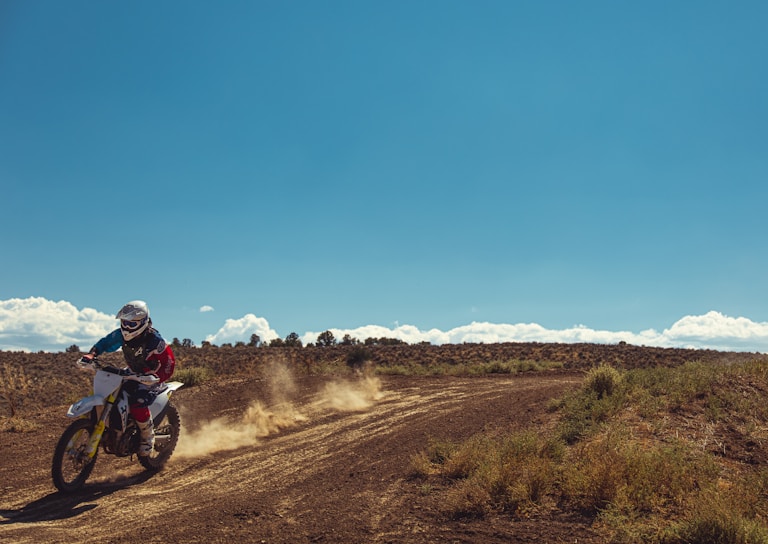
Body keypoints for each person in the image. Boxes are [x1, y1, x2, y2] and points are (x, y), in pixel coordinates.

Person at [82, 300, 176, 456]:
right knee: (111, 393)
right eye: (124, 322)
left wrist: (155, 377)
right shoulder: (121, 335)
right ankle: (111, 428)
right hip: (132, 372)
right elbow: (106, 343)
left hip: (150, 377)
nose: (127, 327)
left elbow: (169, 363)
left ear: (143, 322)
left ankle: (147, 437)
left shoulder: (154, 340)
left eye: (132, 324)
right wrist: (92, 354)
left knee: (137, 402)